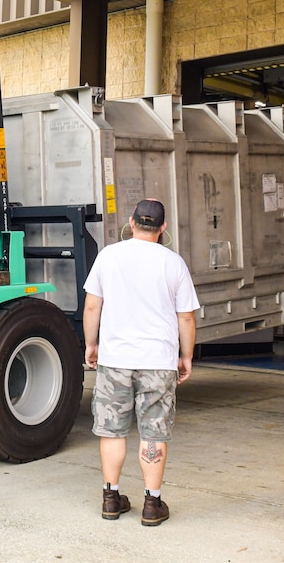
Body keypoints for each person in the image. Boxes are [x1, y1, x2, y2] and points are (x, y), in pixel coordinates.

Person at [83, 198, 199, 526]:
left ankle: (110, 498)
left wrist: (91, 344)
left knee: (112, 430)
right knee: (154, 431)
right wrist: (186, 356)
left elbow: (92, 306)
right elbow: (186, 317)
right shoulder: (173, 263)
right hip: (158, 361)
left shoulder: (109, 255)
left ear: (131, 222)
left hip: (116, 358)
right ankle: (152, 504)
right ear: (163, 228)